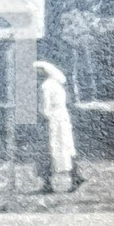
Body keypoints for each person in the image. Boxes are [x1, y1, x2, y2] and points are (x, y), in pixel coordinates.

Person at [36, 60, 84, 193]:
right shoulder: (58, 84)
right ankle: (75, 176)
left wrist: (43, 116)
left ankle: (48, 183)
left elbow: (45, 107)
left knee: (49, 150)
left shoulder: (46, 86)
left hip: (52, 120)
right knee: (66, 147)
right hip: (63, 118)